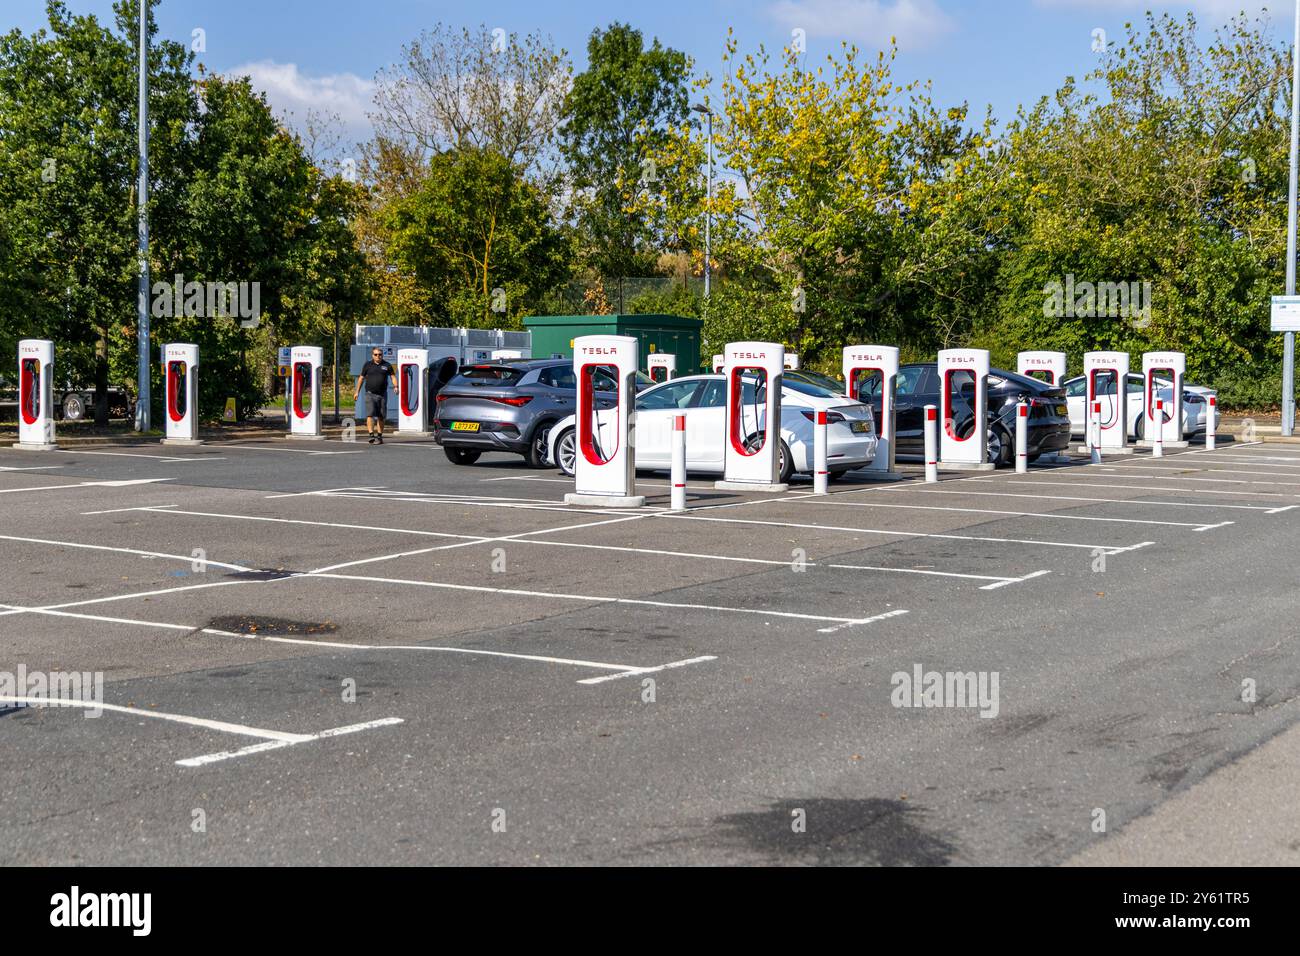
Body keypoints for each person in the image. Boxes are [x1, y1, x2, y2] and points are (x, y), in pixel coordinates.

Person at [354, 348, 398, 444]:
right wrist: (357, 392)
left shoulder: (387, 365)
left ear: (382, 355)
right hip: (370, 394)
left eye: (380, 354)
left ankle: (379, 436)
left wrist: (396, 386)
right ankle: (371, 435)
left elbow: (393, 377)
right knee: (370, 415)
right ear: (372, 355)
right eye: (376, 354)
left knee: (381, 416)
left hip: (382, 395)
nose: (378, 356)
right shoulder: (367, 365)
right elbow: (361, 378)